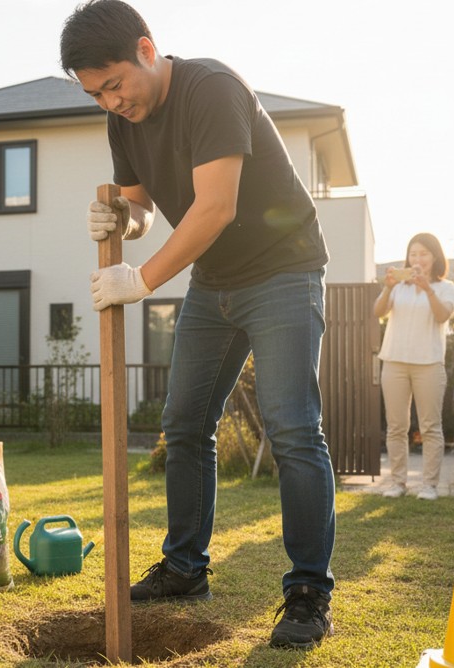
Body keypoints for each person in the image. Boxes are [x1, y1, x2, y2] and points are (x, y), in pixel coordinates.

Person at [60, 0, 336, 649]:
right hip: (215, 284)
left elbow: (214, 207)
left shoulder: (211, 88)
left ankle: (307, 592)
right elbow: (141, 208)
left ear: (147, 52)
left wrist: (142, 280)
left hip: (283, 272)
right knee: (184, 424)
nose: (110, 102)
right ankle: (185, 567)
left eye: (114, 85)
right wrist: (120, 224)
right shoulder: (123, 124)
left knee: (293, 427)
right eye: (95, 94)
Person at [374, 233, 454, 501]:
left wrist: (428, 289)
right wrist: (387, 287)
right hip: (394, 360)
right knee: (396, 426)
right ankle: (398, 483)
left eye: (423, 253)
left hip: (429, 363)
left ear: (435, 257)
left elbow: (443, 315)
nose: (417, 259)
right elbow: (378, 312)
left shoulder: (447, 288)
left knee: (430, 426)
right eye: (413, 254)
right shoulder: (398, 287)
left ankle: (429, 485)